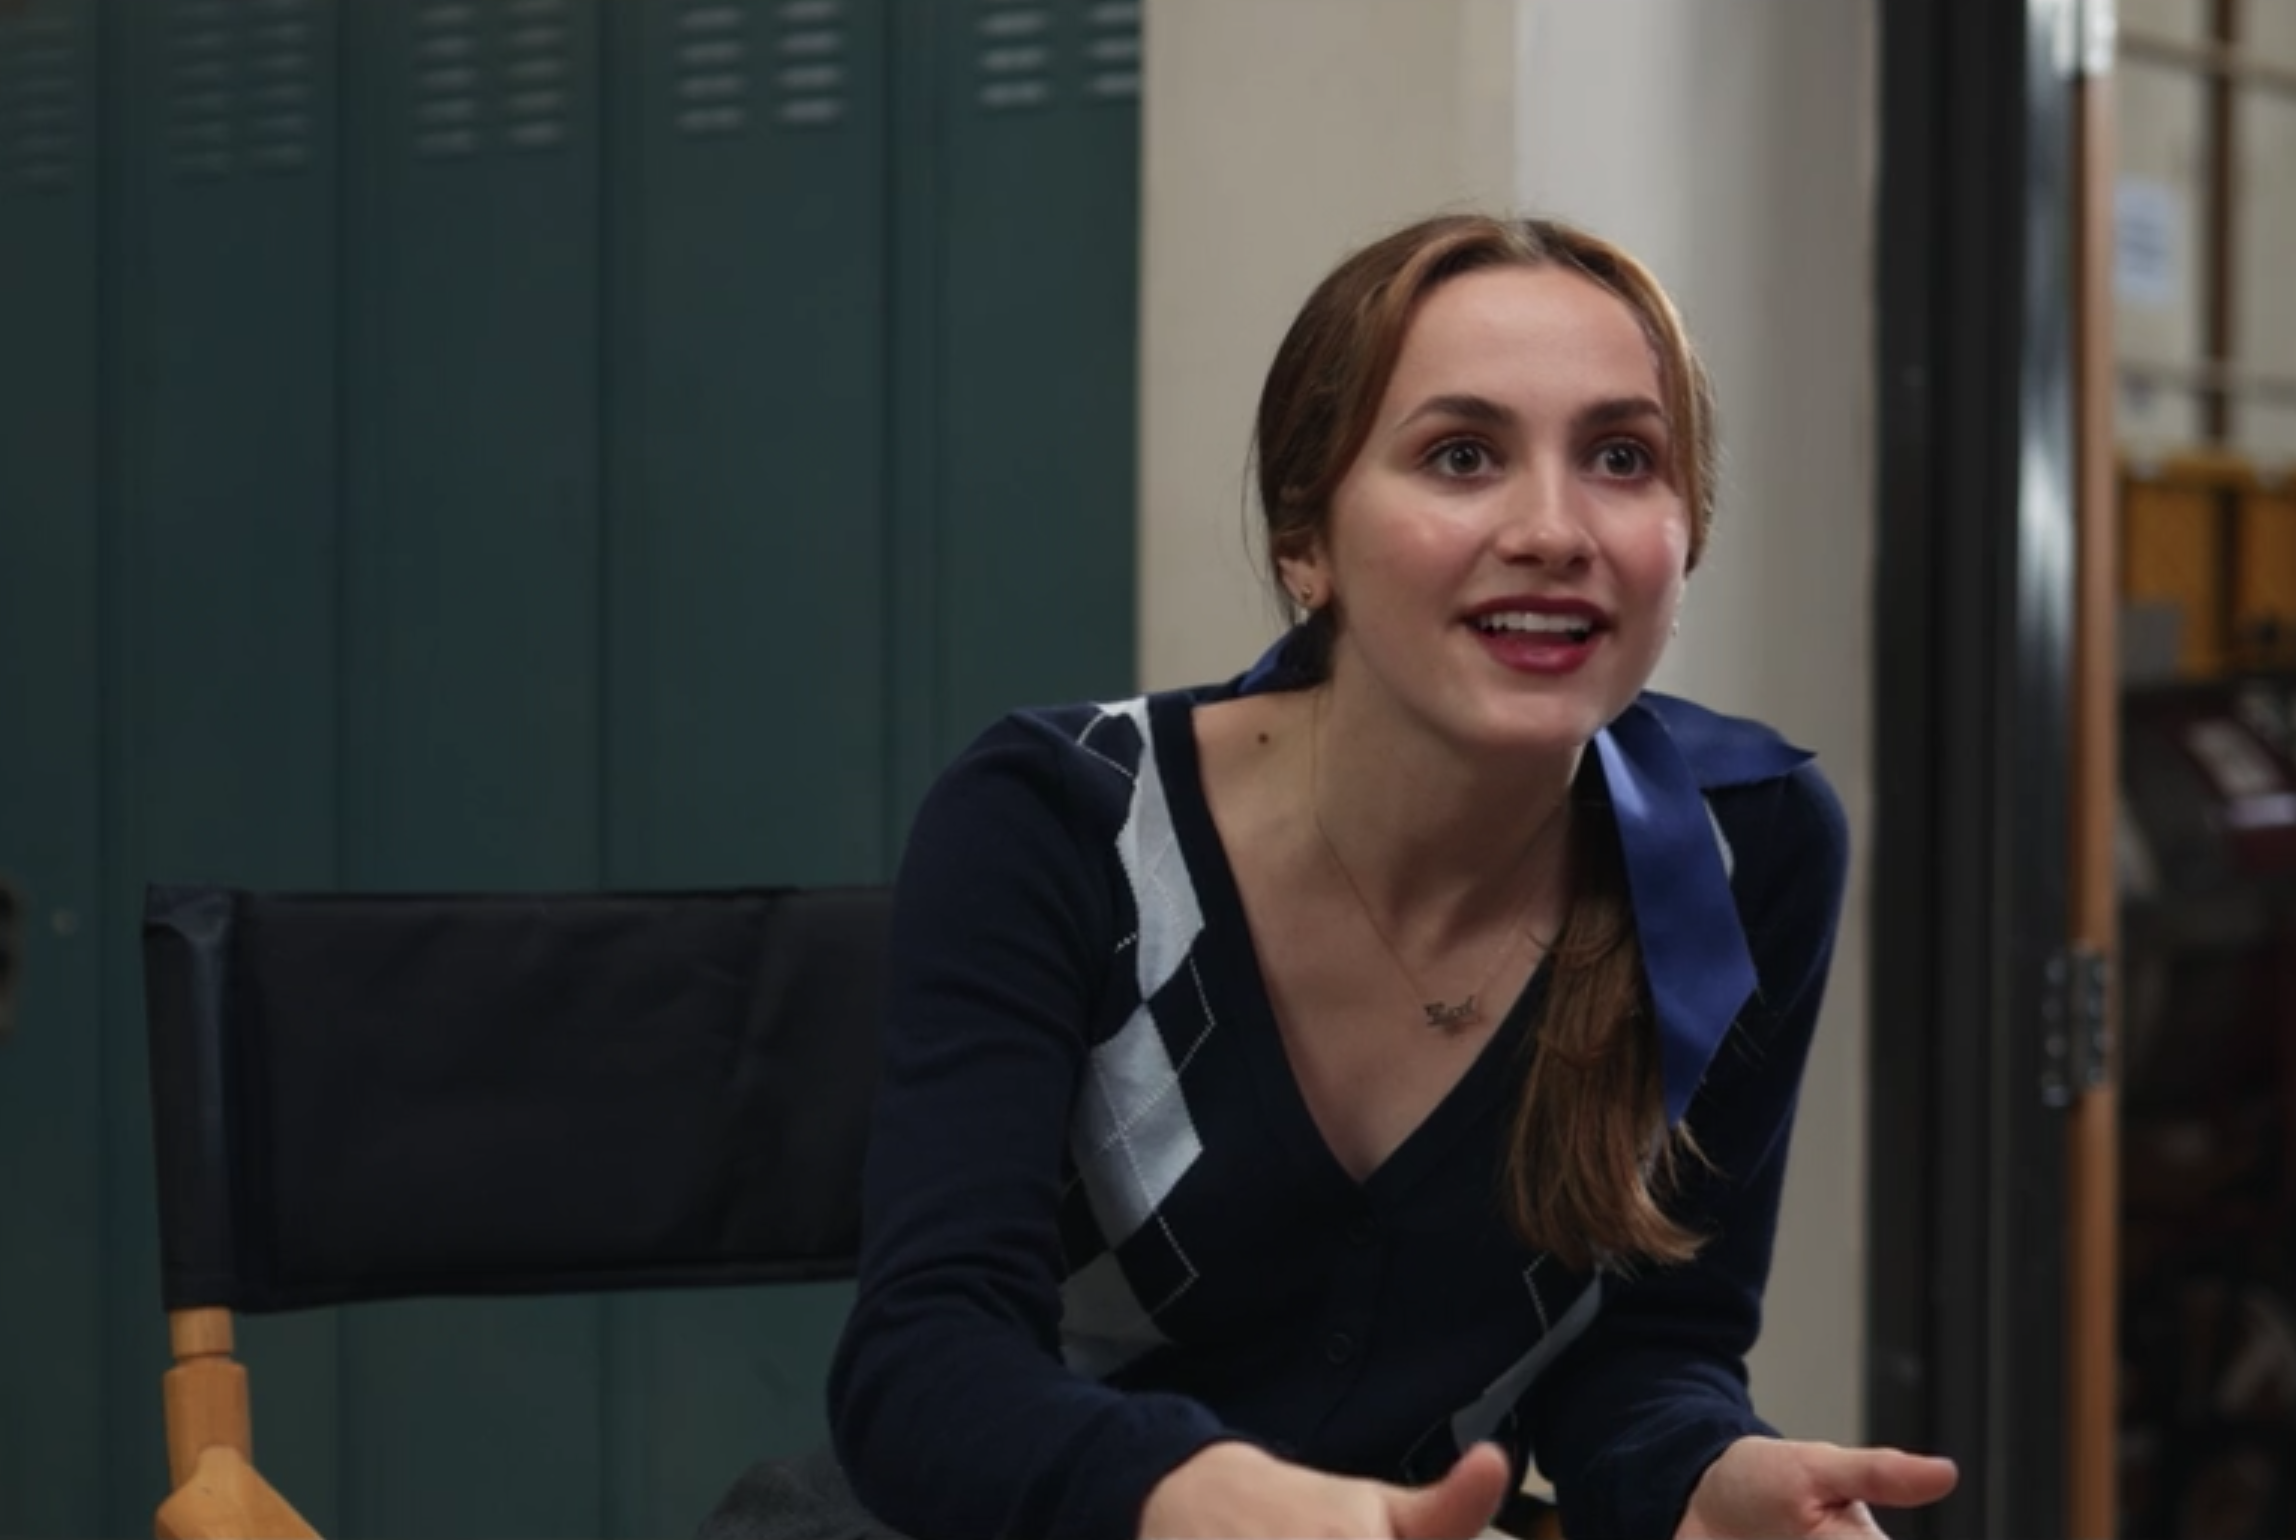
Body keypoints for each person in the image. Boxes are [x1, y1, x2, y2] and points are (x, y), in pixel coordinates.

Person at [819, 213, 1959, 1539]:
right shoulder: (1060, 818)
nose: (1553, 526)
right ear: (1306, 541)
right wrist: (1186, 1499)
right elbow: (922, 1366)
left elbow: (1646, 1354)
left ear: (1684, 532)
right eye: (1461, 456)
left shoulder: (1746, 851)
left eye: (1620, 457)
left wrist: (1703, 1479)